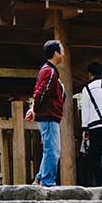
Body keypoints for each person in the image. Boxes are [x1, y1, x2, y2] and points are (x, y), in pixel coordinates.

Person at [27, 40, 66, 187]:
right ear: (56, 53)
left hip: (49, 115)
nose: (63, 52)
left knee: (50, 149)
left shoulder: (49, 70)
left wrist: (34, 108)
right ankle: (48, 181)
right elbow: (40, 92)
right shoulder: (49, 71)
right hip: (48, 115)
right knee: (53, 150)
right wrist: (35, 109)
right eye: (61, 49)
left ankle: (40, 178)